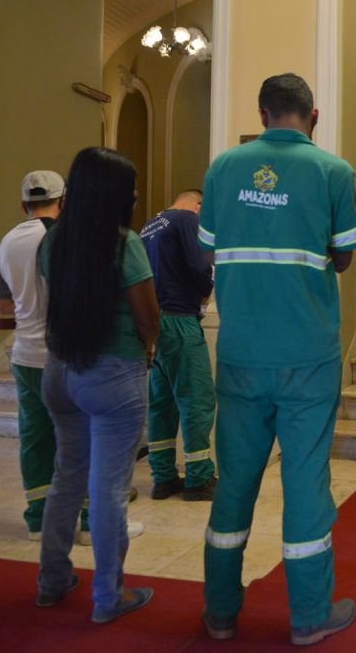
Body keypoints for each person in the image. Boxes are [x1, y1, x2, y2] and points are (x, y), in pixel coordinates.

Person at [198, 73, 356, 645]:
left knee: (235, 484)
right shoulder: (334, 172)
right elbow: (343, 258)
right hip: (308, 356)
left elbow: (208, 247)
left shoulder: (223, 168)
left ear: (262, 113)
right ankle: (310, 615)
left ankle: (219, 611)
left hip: (241, 352)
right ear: (312, 116)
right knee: (306, 484)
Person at [36, 147, 158, 624]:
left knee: (67, 477)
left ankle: (51, 580)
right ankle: (109, 596)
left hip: (60, 369)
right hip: (112, 373)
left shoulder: (52, 242)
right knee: (108, 488)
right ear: (113, 193)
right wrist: (149, 346)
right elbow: (147, 314)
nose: (135, 192)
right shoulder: (122, 243)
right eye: (130, 184)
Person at [0, 170, 89, 542]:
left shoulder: (5, 242)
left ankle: (38, 521)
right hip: (65, 355)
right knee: (80, 438)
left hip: (24, 355)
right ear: (64, 202)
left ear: (23, 205)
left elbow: (4, 306)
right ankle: (85, 523)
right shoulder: (68, 237)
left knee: (35, 438)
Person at [140, 188, 218, 502]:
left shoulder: (149, 225)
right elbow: (199, 267)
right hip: (181, 320)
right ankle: (199, 478)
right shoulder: (186, 219)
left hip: (154, 323)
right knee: (196, 399)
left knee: (161, 404)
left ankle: (163, 478)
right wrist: (206, 289)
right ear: (198, 205)